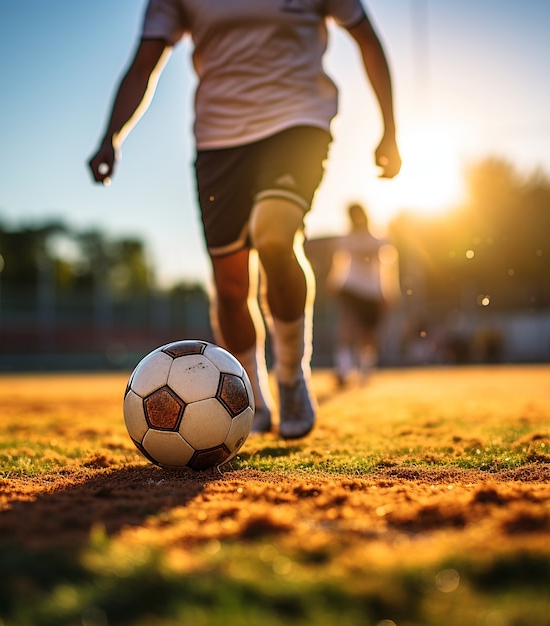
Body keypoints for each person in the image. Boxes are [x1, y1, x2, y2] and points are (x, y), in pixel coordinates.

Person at [88, 0, 401, 439]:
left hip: (298, 122)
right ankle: (251, 392)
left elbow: (367, 39)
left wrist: (390, 128)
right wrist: (111, 136)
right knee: (232, 286)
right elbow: (144, 66)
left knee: (274, 238)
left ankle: (292, 377)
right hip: (219, 143)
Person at [327, 203, 400, 386]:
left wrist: (389, 290)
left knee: (368, 334)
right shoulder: (346, 240)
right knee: (348, 325)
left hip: (372, 291)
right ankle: (343, 370)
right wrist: (333, 280)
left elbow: (387, 266)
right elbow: (340, 263)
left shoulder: (379, 239)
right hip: (351, 287)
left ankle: (365, 369)